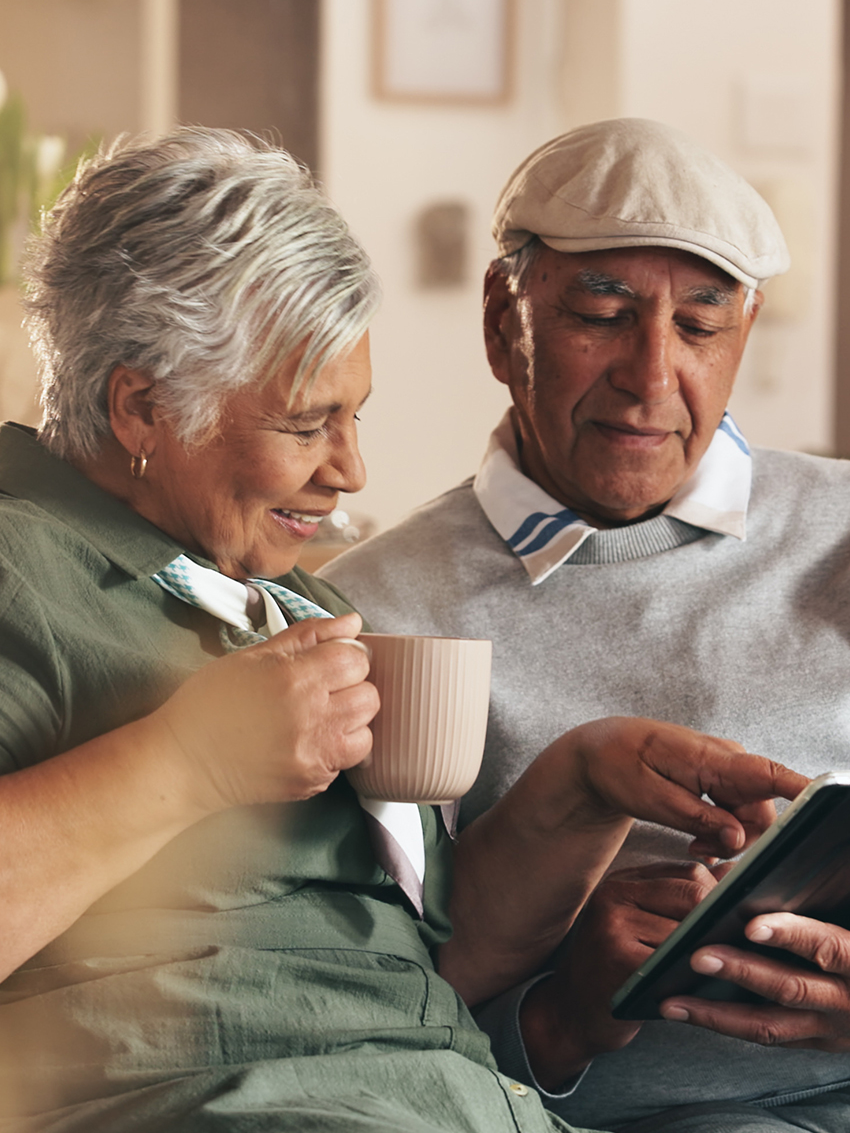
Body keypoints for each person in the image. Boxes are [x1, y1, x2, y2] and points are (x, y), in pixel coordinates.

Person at [0, 126, 803, 1133]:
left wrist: (582, 780)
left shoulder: (287, 603)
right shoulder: (20, 567)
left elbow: (433, 965)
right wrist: (188, 763)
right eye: (306, 425)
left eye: (356, 420)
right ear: (142, 408)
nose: (350, 473)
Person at [322, 118, 850, 1133]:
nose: (650, 376)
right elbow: (382, 1024)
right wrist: (566, 1011)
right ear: (498, 320)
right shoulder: (376, 614)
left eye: (699, 328)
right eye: (601, 315)